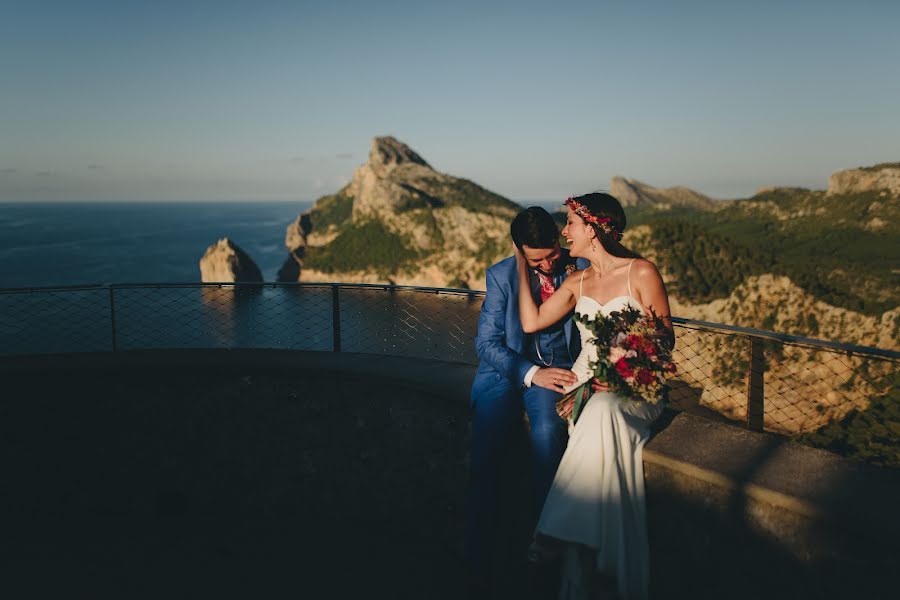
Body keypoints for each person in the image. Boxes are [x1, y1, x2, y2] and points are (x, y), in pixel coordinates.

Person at [515, 193, 674, 600]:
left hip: (636, 385)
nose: (563, 231)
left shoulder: (641, 272)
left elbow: (664, 338)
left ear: (592, 228)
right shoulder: (577, 282)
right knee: (596, 409)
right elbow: (531, 321)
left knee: (603, 409)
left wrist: (621, 368)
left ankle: (554, 535)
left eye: (570, 223)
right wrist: (520, 262)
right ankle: (597, 556)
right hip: (585, 387)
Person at [467, 206, 589, 595]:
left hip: (557, 375)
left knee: (548, 442)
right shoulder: (501, 275)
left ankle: (542, 559)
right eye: (538, 259)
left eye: (553, 252)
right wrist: (531, 372)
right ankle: (478, 561)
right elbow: (486, 344)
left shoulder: (581, 265)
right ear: (519, 251)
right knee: (485, 459)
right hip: (506, 374)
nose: (550, 263)